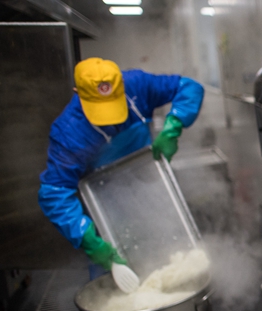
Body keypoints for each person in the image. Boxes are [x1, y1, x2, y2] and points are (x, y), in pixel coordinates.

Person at [38, 58, 204, 272]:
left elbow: (189, 87)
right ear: (77, 92)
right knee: (121, 268)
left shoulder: (137, 85)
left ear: (122, 85)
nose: (111, 121)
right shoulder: (69, 132)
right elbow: (54, 191)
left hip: (151, 187)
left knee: (173, 252)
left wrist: (174, 126)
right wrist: (85, 237)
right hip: (108, 206)